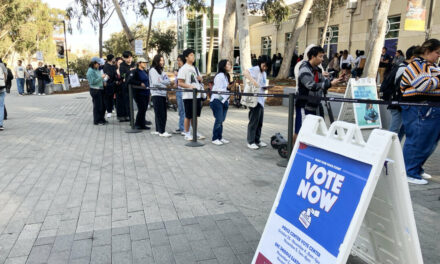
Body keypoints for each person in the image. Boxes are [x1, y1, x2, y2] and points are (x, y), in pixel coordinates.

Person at [400, 39, 440, 185]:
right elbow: (423, 85)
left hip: (429, 109)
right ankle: (408, 171)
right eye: (437, 53)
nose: (438, 56)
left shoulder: (431, 66)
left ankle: (416, 168)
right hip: (419, 108)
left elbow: (429, 83)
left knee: (428, 142)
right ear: (427, 51)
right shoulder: (417, 65)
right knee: (418, 140)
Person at [294, 46, 343, 142]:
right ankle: (292, 153)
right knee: (299, 131)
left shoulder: (317, 69)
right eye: (320, 56)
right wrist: (330, 83)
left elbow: (323, 83)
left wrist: (337, 80)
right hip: (304, 106)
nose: (322, 59)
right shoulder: (304, 69)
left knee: (312, 132)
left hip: (315, 105)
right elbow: (311, 86)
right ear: (313, 56)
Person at [384, 46, 418, 141]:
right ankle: (388, 150)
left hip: (402, 104)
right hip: (397, 104)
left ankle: (395, 150)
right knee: (394, 130)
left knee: (402, 129)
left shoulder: (406, 67)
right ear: (413, 57)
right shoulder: (404, 69)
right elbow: (398, 88)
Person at [242, 57, 270, 150]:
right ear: (261, 63)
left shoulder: (264, 73)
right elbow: (245, 72)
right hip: (255, 99)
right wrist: (253, 81)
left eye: (267, 66)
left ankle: (257, 140)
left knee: (259, 122)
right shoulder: (256, 69)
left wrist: (265, 87)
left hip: (261, 99)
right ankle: (250, 141)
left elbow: (261, 84)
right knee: (253, 121)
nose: (265, 68)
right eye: (264, 65)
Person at [177, 48, 205, 141]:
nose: (193, 57)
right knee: (188, 115)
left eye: (193, 55)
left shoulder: (195, 68)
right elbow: (180, 83)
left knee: (195, 115)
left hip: (196, 95)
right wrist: (190, 87)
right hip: (188, 96)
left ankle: (195, 131)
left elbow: (199, 81)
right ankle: (187, 132)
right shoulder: (183, 69)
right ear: (186, 57)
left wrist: (201, 79)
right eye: (191, 55)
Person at [210, 59, 233, 145]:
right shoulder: (220, 76)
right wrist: (227, 87)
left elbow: (225, 89)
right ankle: (215, 138)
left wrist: (229, 87)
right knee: (219, 119)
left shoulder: (226, 76)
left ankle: (219, 137)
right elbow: (219, 90)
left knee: (221, 120)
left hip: (224, 101)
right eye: (228, 64)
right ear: (223, 66)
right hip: (217, 100)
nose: (230, 65)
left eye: (230, 64)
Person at [149, 54, 172, 137]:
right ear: (156, 61)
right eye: (160, 60)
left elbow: (168, 81)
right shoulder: (153, 70)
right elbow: (155, 83)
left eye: (163, 60)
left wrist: (161, 82)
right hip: (156, 94)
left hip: (162, 94)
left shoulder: (162, 71)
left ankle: (159, 130)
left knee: (162, 113)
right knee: (160, 113)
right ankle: (162, 131)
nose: (162, 62)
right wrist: (164, 84)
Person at [127, 58, 151, 130]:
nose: (145, 64)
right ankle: (137, 124)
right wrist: (139, 83)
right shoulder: (135, 71)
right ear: (139, 63)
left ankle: (142, 124)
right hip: (139, 93)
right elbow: (130, 80)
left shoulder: (145, 71)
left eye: (146, 62)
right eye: (143, 62)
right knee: (141, 108)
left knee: (144, 109)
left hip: (146, 93)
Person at [87, 57, 107, 125]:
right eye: (98, 64)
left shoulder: (96, 69)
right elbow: (92, 82)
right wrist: (101, 77)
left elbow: (99, 78)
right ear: (94, 63)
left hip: (100, 89)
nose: (99, 65)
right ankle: (97, 120)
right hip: (95, 90)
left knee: (102, 106)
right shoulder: (90, 71)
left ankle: (102, 119)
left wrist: (104, 79)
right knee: (97, 106)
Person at [117, 51, 135, 122]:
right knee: (128, 103)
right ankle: (131, 118)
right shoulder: (122, 65)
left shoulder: (134, 64)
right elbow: (122, 76)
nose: (129, 59)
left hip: (135, 86)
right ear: (124, 58)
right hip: (126, 87)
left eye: (130, 57)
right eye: (127, 58)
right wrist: (129, 71)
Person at [174, 55, 186, 134]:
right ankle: (181, 126)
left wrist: (177, 75)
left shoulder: (185, 69)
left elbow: (184, 81)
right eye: (177, 60)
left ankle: (184, 128)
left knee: (184, 110)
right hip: (178, 91)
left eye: (180, 60)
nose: (178, 62)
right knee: (181, 110)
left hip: (183, 91)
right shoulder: (179, 69)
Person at [103, 54, 117, 118]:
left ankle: (112, 108)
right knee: (108, 97)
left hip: (114, 83)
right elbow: (106, 75)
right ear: (111, 59)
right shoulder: (106, 66)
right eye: (113, 58)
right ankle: (109, 110)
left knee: (113, 98)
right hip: (108, 84)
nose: (114, 60)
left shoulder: (114, 66)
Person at [0, 59, 7, 131]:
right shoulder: (2, 65)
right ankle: (0, 124)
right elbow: (6, 75)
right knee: (1, 106)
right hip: (1, 88)